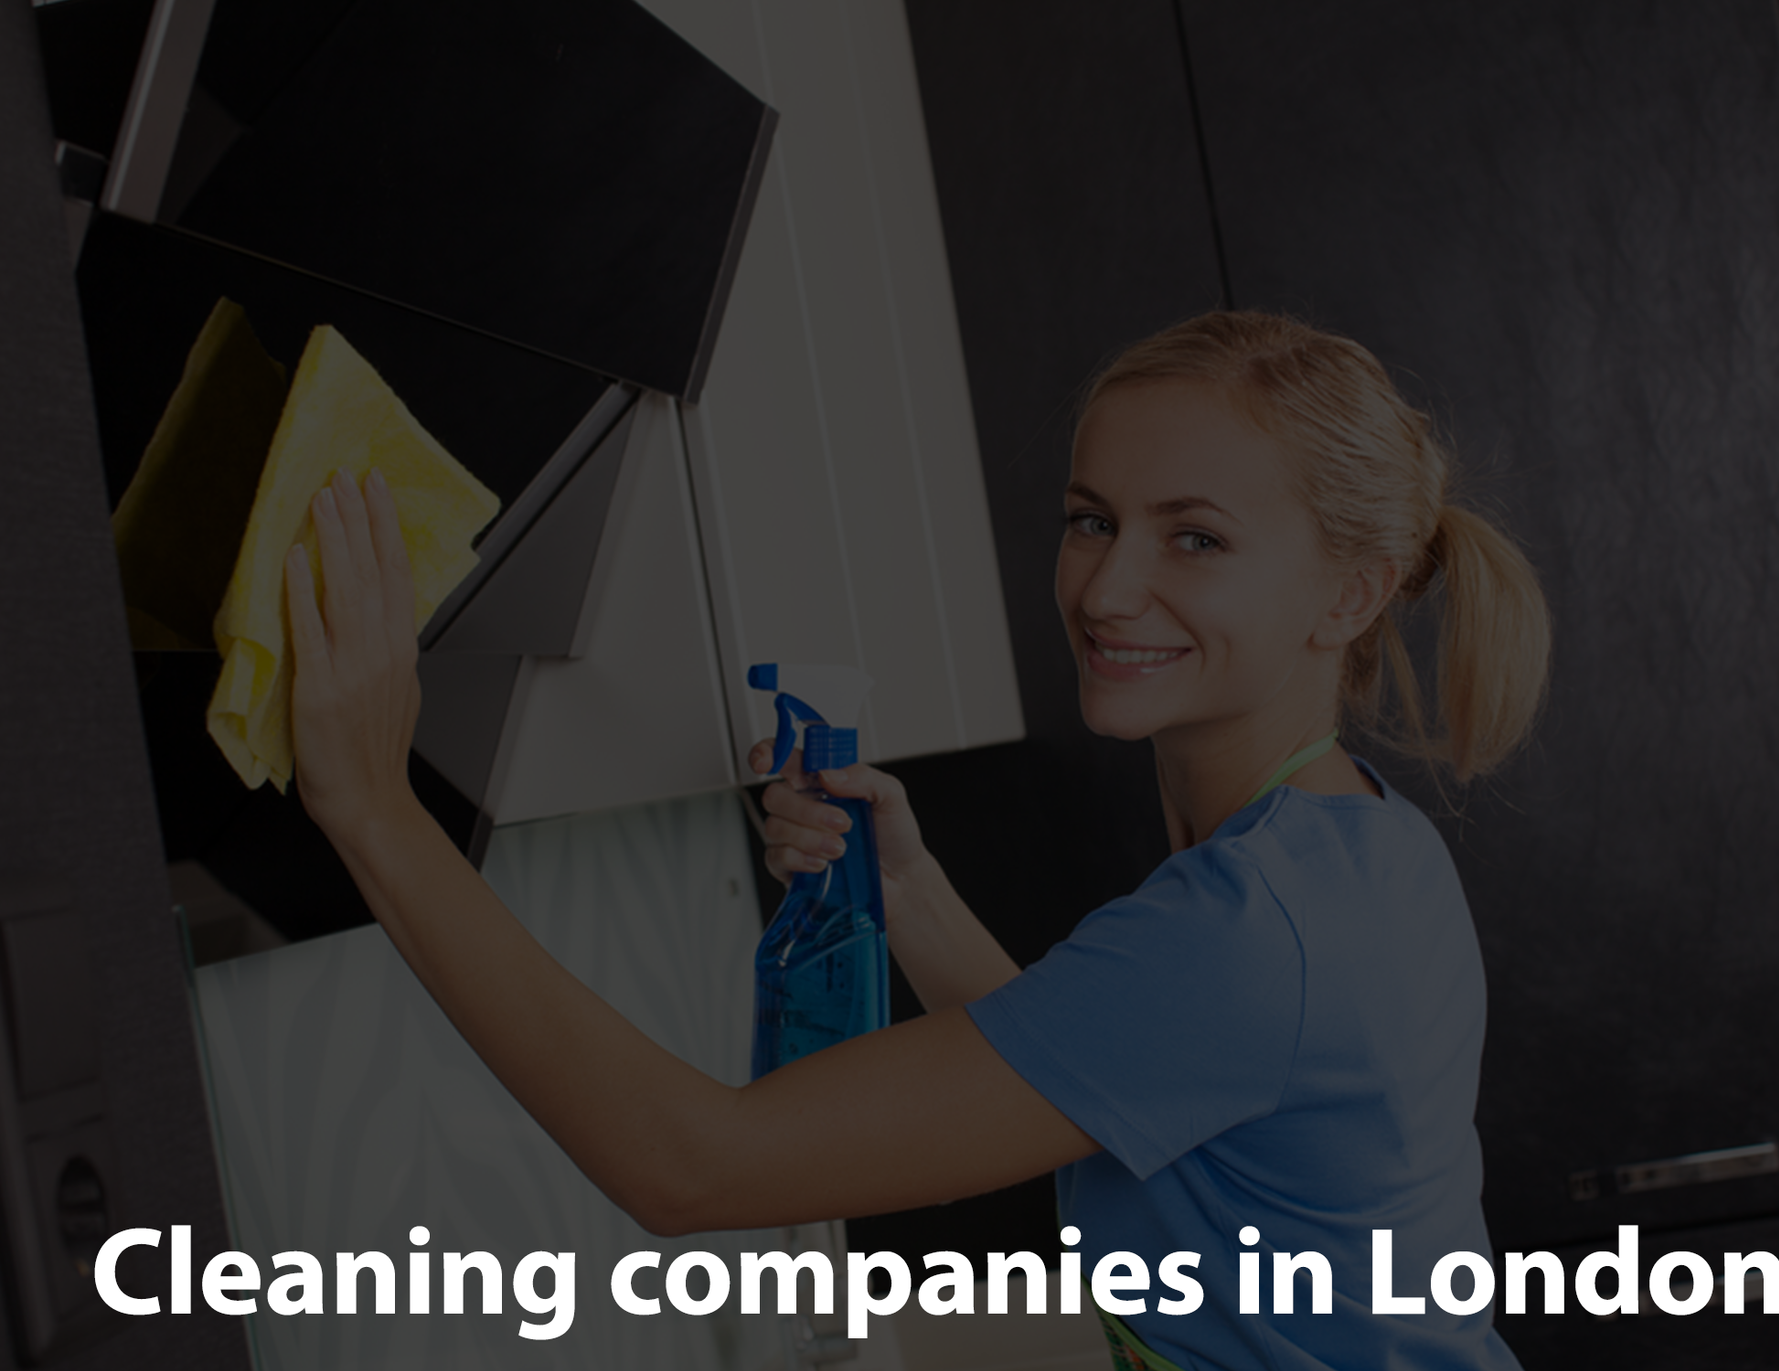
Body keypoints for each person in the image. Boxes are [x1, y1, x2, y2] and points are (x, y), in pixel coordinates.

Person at [286, 310, 1549, 1370]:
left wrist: (374, 812)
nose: (1106, 589)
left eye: (1196, 538)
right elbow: (1114, 1079)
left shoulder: (1248, 931)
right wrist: (915, 894)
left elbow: (689, 1168)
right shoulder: (1354, 846)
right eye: (1092, 518)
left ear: (1353, 592)